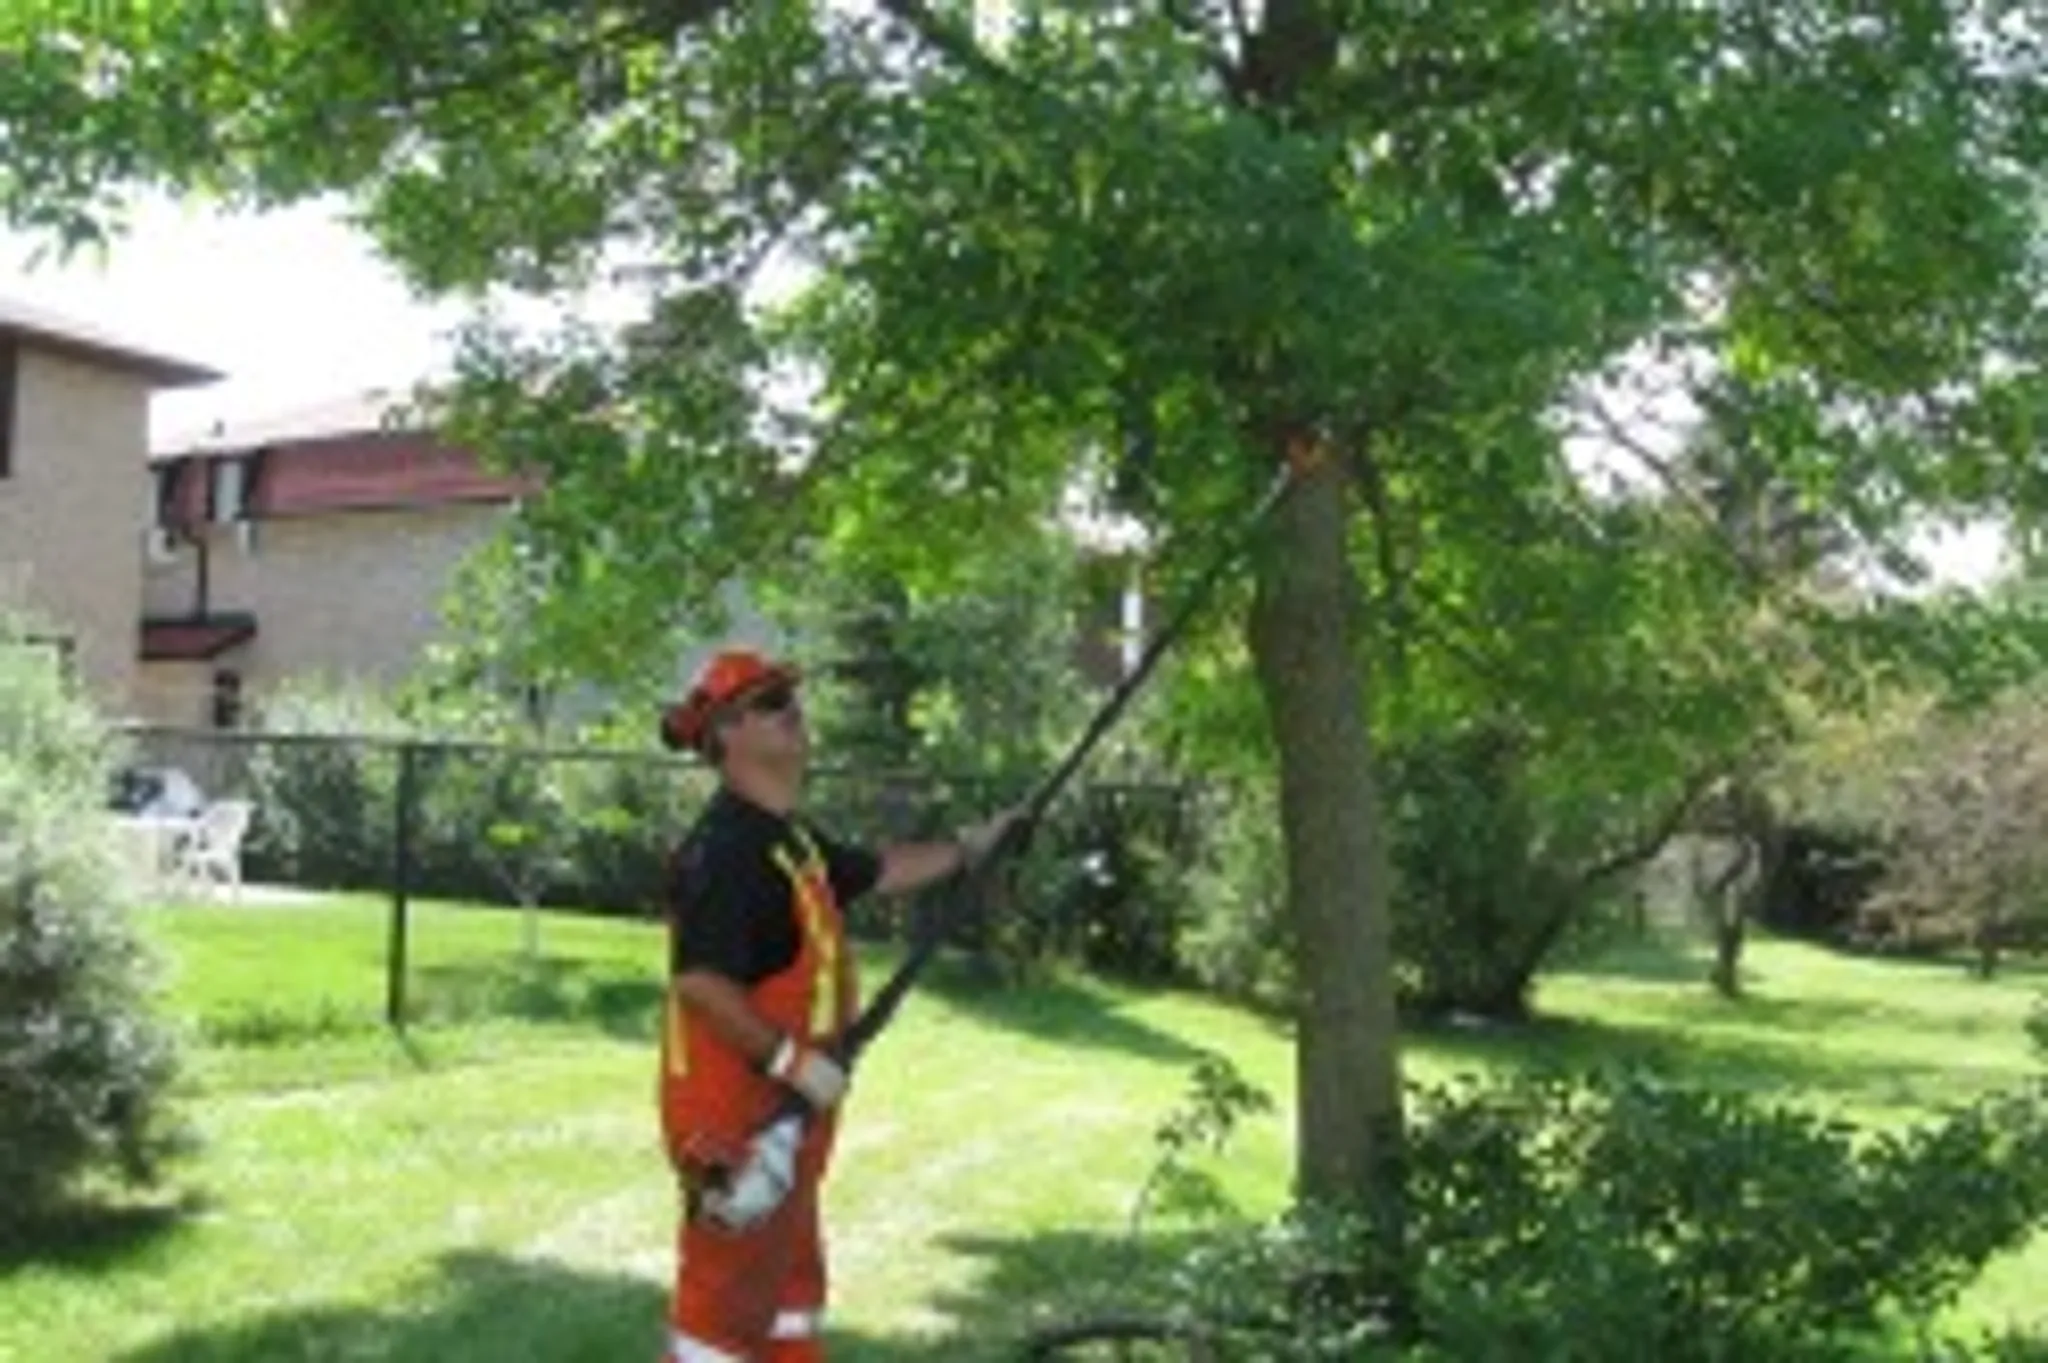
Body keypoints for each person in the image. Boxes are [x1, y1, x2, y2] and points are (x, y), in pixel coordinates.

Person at [654, 647, 1019, 1363]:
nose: (792, 710)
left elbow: (878, 869)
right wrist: (795, 1064)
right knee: (718, 1326)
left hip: (788, 1117)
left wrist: (973, 848)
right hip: (737, 1125)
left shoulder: (790, 841)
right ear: (725, 734)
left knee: (789, 1303)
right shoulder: (726, 850)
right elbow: (701, 983)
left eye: (790, 696)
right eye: (769, 702)